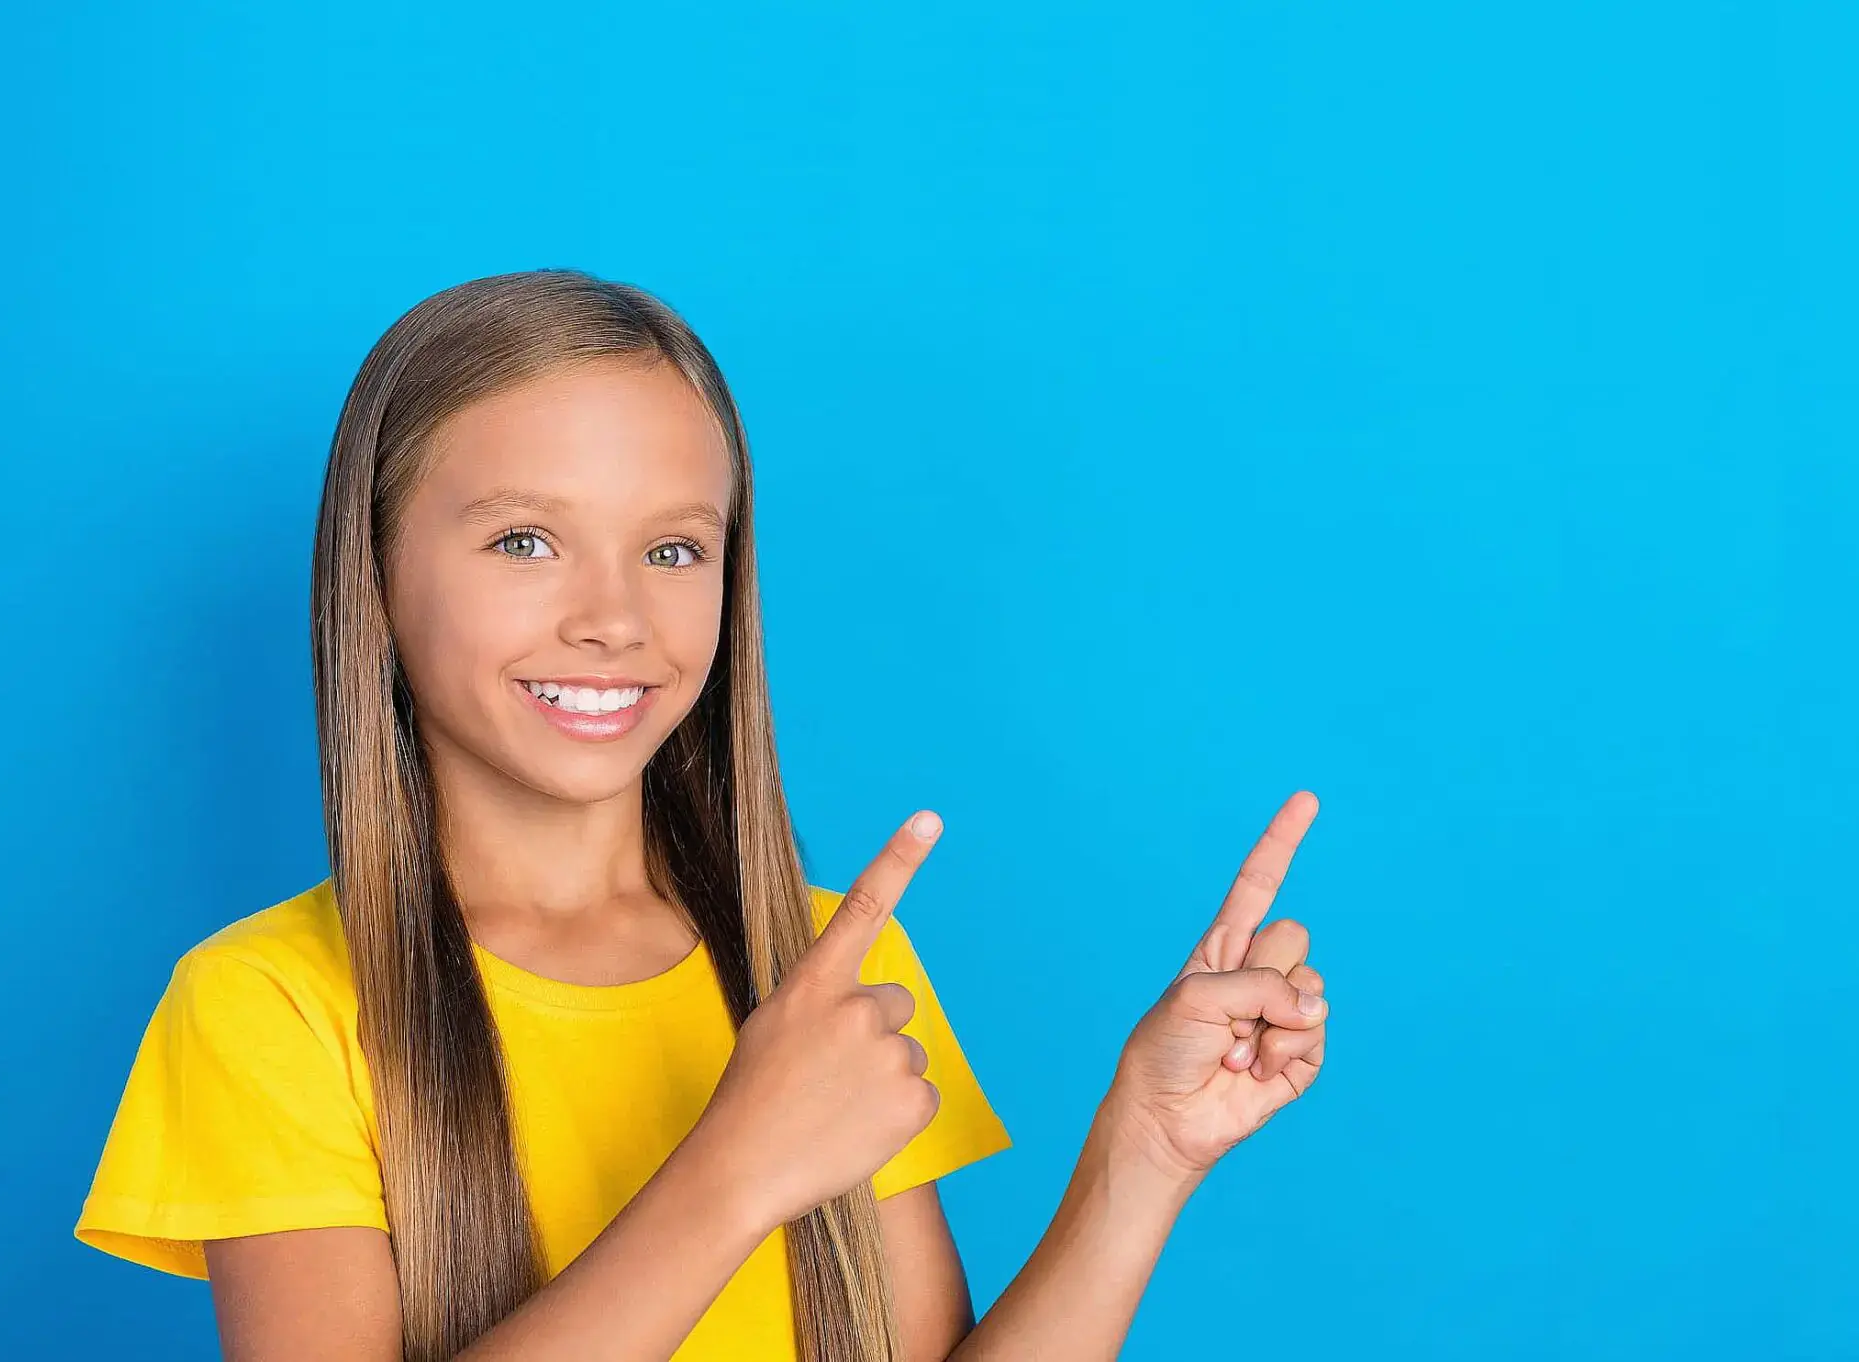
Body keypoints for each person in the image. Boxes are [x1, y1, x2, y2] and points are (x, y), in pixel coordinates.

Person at [72, 268, 1332, 1362]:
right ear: (378, 575)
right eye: (524, 541)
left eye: (674, 550)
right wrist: (735, 1170)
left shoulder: (827, 961)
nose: (613, 617)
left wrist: (1144, 1155)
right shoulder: (269, 1007)